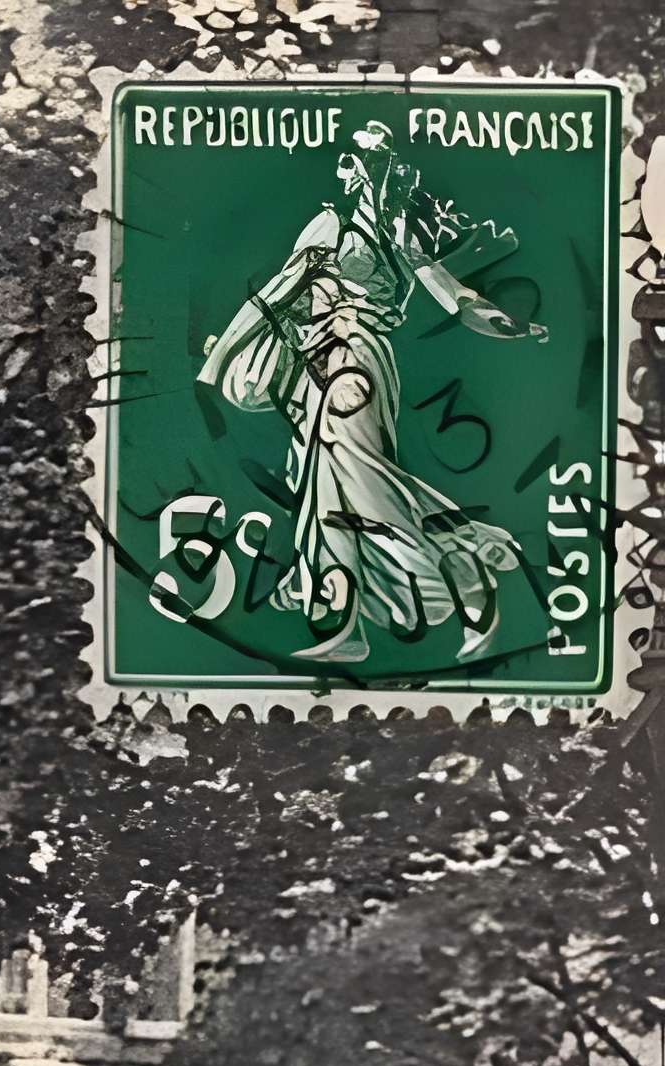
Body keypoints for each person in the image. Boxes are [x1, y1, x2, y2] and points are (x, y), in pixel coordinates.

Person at [196, 124, 542, 665]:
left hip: (357, 356)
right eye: (367, 163)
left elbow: (454, 297)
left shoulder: (398, 233)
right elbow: (278, 296)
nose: (376, 175)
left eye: (383, 166)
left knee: (357, 470)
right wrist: (227, 354)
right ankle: (347, 623)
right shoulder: (329, 225)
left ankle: (467, 565)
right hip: (316, 363)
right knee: (326, 486)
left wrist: (509, 325)